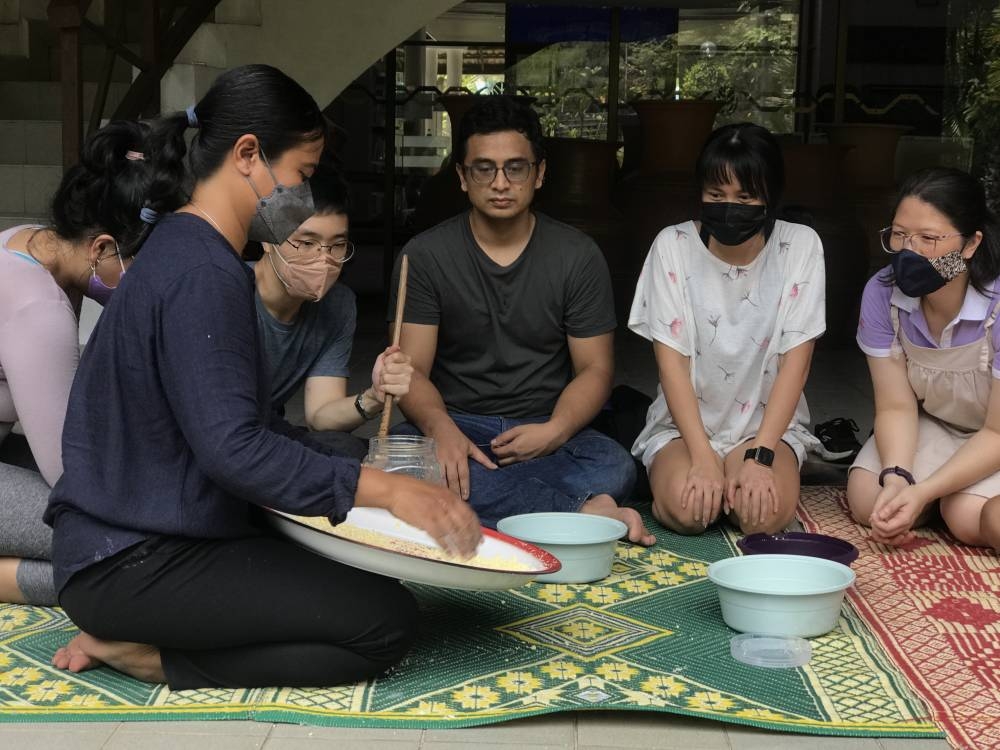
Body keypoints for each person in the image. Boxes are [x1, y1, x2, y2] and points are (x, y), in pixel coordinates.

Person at [44, 64, 481, 690]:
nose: (302, 193)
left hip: (126, 544)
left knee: (349, 542)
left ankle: (150, 632)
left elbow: (252, 427)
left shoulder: (186, 247)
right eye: (301, 174)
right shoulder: (204, 272)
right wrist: (391, 493)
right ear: (249, 155)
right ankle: (153, 658)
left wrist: (369, 478)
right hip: (128, 562)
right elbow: (234, 451)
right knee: (383, 621)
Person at [389, 96, 653, 545]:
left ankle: (515, 504)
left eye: (516, 167)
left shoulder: (576, 255)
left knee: (614, 463)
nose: (500, 183)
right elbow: (411, 371)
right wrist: (442, 430)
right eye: (483, 168)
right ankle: (583, 509)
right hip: (458, 423)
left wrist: (555, 431)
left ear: (540, 173)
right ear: (461, 176)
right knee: (402, 462)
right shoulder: (425, 256)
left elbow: (595, 369)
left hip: (544, 425)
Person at [629, 123, 825, 536]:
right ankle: (706, 470)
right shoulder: (673, 245)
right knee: (690, 512)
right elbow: (672, 365)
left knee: (762, 518)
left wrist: (761, 457)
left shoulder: (801, 245)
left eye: (745, 196)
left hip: (763, 427)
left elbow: (796, 363)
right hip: (685, 427)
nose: (729, 207)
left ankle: (742, 472)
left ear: (770, 195)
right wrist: (701, 456)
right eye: (716, 196)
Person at [0, 121, 154, 606]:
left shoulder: (27, 241)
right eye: (142, 270)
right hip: (45, 463)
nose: (146, 287)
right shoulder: (38, 307)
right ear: (102, 247)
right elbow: (69, 472)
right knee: (130, 549)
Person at [847, 167, 1000, 551]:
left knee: (967, 516)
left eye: (928, 238)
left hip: (995, 436)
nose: (909, 252)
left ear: (970, 244)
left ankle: (942, 500)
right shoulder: (883, 293)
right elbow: (897, 406)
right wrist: (898, 480)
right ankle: (931, 500)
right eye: (899, 235)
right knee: (871, 499)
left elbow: (996, 433)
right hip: (942, 424)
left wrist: (923, 490)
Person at [254, 163, 412, 460]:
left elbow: (320, 417)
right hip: (217, 433)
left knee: (347, 451)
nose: (323, 259)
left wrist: (374, 396)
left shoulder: (337, 306)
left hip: (265, 431)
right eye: (306, 243)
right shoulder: (228, 291)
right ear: (267, 239)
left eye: (337, 245)